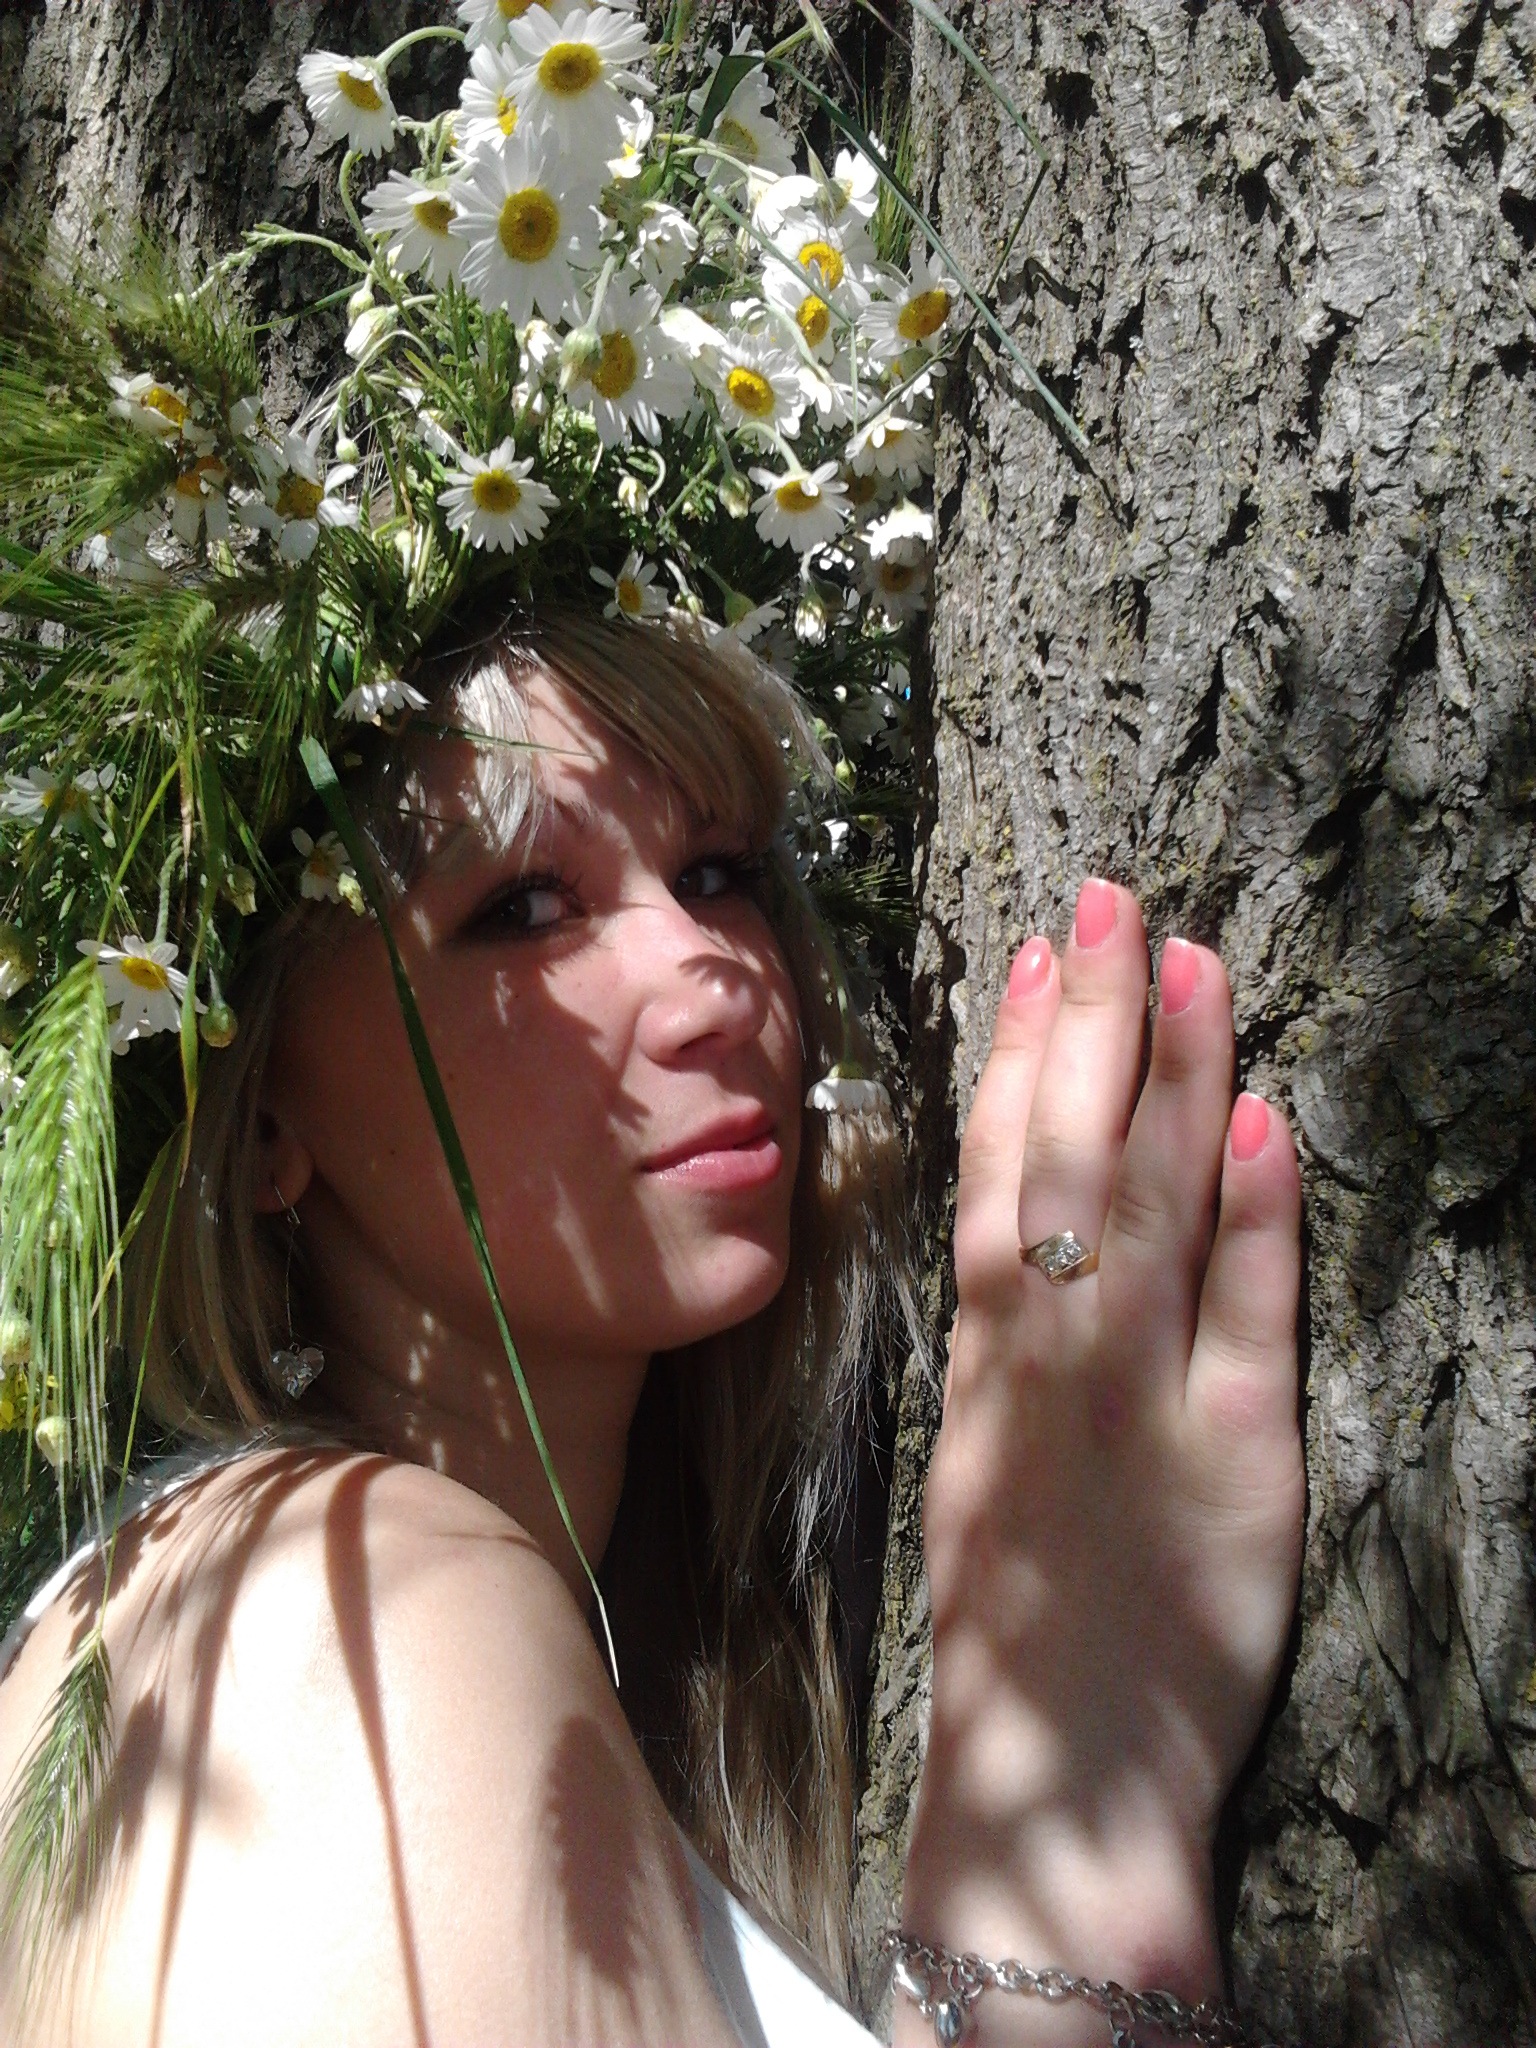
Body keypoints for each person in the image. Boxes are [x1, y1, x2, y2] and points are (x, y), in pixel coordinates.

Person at [0, 603, 1303, 2048]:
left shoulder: (627, 1642)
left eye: (717, 874)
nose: (713, 980)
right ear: (253, 1114)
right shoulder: (338, 1618)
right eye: (523, 908)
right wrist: (1076, 1801)